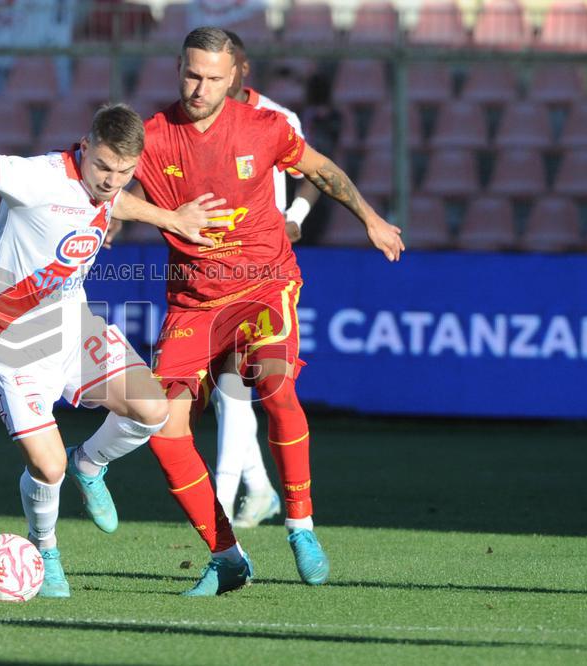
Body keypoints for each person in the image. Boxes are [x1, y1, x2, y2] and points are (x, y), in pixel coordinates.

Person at [130, 27, 403, 595]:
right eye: (191, 74)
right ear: (178, 67)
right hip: (194, 301)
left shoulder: (267, 127)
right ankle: (226, 554)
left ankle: (300, 526)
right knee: (162, 427)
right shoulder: (151, 135)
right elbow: (93, 176)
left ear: (236, 77)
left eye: (212, 77)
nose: (199, 87)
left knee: (276, 388)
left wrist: (371, 219)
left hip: (263, 284)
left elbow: (323, 171)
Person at [0, 103, 231, 597]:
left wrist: (172, 219)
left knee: (152, 408)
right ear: (85, 145)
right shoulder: (39, 176)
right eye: (103, 168)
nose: (112, 181)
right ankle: (45, 549)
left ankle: (90, 463)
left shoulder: (108, 186)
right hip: (8, 336)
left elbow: (117, 203)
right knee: (46, 466)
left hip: (71, 323)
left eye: (124, 171)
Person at [209, 29, 323, 528]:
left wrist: (295, 215)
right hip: (210, 263)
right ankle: (258, 491)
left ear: (241, 70)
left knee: (237, 379)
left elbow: (312, 176)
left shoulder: (277, 117)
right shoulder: (193, 120)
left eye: (222, 70)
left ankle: (223, 501)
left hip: (262, 265)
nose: (210, 83)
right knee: (224, 384)